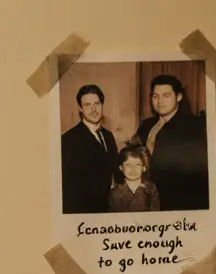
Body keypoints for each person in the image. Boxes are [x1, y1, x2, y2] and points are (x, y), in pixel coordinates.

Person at [133, 74, 209, 211]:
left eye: (166, 95)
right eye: (155, 96)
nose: (160, 101)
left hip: (178, 202)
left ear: (179, 97)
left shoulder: (192, 127)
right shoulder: (146, 125)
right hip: (146, 201)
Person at [60, 84, 118, 214]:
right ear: (80, 108)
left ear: (102, 105)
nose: (94, 109)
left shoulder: (108, 136)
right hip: (83, 213)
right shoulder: (67, 140)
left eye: (97, 104)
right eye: (87, 105)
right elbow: (68, 188)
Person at [109, 145, 160, 212]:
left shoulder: (150, 189)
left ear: (144, 168)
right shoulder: (115, 192)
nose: (133, 169)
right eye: (128, 164)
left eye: (137, 164)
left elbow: (156, 213)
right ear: (121, 167)